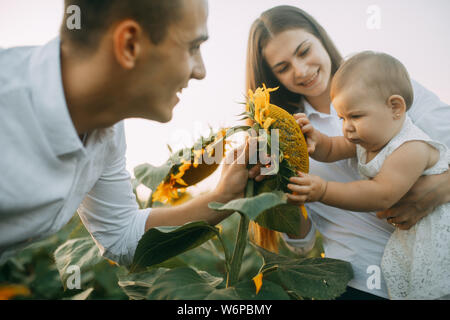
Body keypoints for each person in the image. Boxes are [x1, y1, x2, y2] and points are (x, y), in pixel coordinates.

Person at [0, 0, 264, 267]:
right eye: (193, 47)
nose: (201, 71)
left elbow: (122, 236)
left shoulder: (107, 130)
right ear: (129, 45)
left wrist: (224, 196)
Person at [246, 5, 450, 299]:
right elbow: (301, 243)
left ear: (320, 38)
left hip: (433, 264)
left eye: (304, 51)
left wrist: (443, 186)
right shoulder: (282, 134)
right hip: (357, 280)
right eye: (283, 68)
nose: (301, 71)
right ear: (272, 76)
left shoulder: (378, 79)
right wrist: (276, 187)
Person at [291, 51, 450, 299]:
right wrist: (315, 139)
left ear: (395, 107)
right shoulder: (370, 139)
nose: (346, 127)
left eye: (355, 116)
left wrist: (323, 190)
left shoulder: (411, 148)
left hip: (437, 245)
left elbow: (381, 193)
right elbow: (333, 148)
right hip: (410, 243)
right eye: (342, 117)